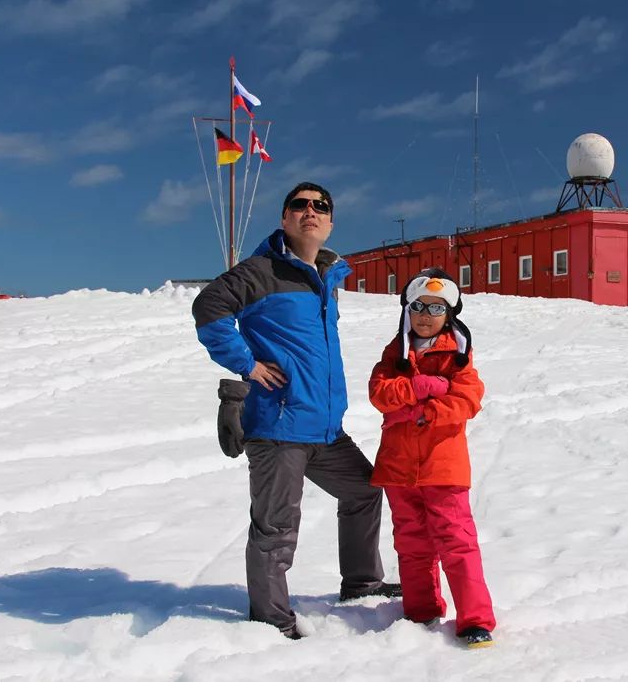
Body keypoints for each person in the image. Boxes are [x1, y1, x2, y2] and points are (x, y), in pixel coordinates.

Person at [192, 181, 399, 640]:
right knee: (276, 526)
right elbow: (208, 307)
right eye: (299, 205)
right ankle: (270, 619)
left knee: (364, 492)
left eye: (320, 206)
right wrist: (246, 364)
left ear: (330, 222)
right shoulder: (263, 270)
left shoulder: (326, 278)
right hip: (279, 426)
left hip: (324, 430)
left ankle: (362, 583)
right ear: (285, 218)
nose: (310, 211)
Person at [367, 269, 496, 649]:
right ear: (408, 311)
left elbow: (467, 399)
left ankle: (474, 620)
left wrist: (421, 413)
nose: (426, 314)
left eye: (436, 308)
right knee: (411, 541)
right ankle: (420, 609)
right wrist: (418, 388)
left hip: (444, 466)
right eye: (419, 306)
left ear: (449, 313)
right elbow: (379, 393)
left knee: (456, 541)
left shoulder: (458, 355)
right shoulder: (394, 354)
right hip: (399, 467)